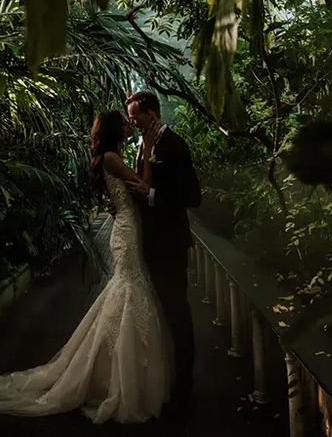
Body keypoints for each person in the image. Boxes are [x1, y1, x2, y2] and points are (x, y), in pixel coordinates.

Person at [0, 110, 173, 424]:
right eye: (127, 123)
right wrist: (146, 147)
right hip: (127, 229)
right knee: (128, 289)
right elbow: (143, 184)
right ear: (116, 129)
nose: (131, 126)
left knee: (127, 288)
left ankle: (115, 370)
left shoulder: (112, 156)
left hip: (129, 226)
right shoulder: (111, 158)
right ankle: (113, 377)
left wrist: (144, 147)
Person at [124, 91, 202, 419]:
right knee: (161, 313)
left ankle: (185, 387)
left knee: (177, 313)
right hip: (151, 244)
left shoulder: (174, 146)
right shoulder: (145, 145)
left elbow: (192, 196)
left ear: (152, 113)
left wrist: (151, 194)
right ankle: (167, 379)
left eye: (136, 117)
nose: (132, 122)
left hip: (169, 245)